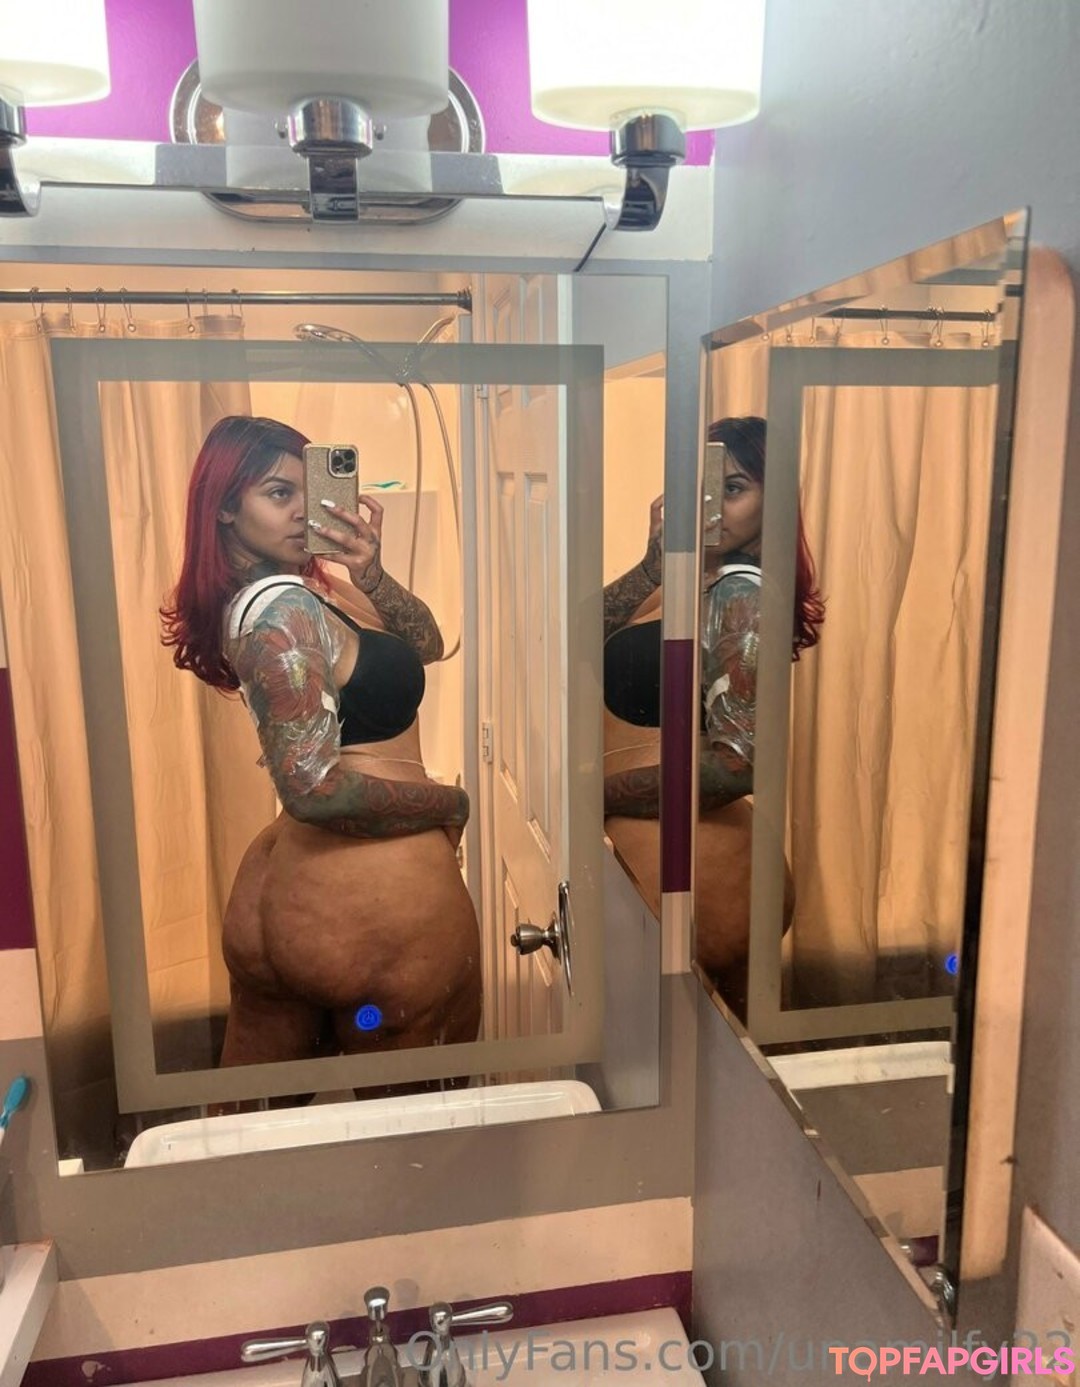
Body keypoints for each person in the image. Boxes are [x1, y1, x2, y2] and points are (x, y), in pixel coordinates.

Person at [160, 416, 481, 1076]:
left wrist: (372, 572)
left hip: (293, 899)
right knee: (410, 1119)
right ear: (224, 508)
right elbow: (314, 790)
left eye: (307, 490)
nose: (303, 510)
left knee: (255, 1112)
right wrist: (449, 803)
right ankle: (360, 1037)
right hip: (368, 906)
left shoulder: (302, 589)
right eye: (278, 493)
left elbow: (425, 643)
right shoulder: (284, 609)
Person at [602, 415, 823, 1009]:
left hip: (708, 868)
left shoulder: (741, 593)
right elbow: (578, 639)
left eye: (734, 488)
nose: (713, 504)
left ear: (772, 501)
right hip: (684, 858)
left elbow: (736, 766)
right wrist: (652, 564)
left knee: (699, 1050)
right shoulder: (694, 576)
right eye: (702, 484)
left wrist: (595, 797)